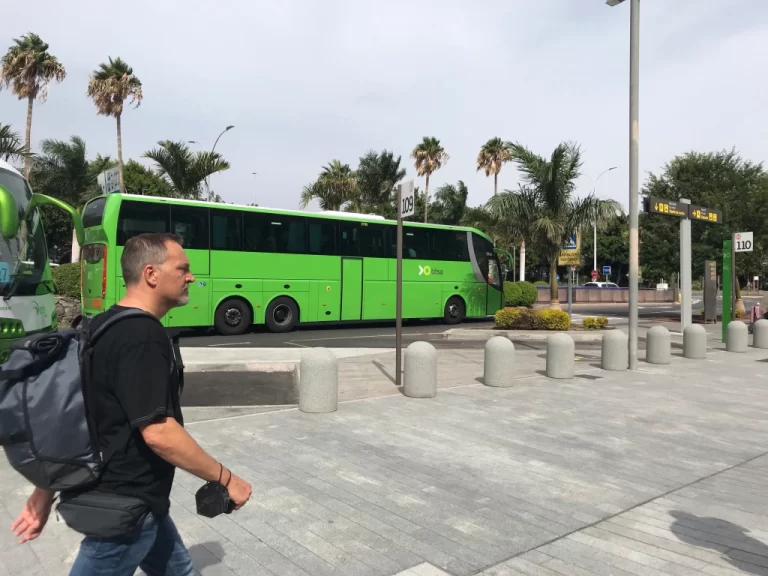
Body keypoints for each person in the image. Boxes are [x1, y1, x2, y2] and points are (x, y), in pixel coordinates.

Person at [10, 232, 252, 575]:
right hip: (125, 504)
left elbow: (74, 416)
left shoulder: (105, 323)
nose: (192, 277)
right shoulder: (142, 336)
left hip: (137, 499)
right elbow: (158, 432)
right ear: (151, 274)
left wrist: (44, 492)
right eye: (183, 268)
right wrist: (227, 479)